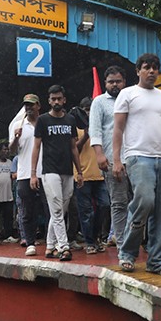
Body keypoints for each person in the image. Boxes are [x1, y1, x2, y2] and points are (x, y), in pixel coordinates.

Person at [113, 53, 161, 276]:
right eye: (147, 67)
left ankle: (156, 261)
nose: (152, 71)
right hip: (137, 157)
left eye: (155, 68)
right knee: (144, 202)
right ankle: (127, 253)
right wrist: (117, 160)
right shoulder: (127, 94)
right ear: (138, 71)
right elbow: (117, 129)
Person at [31, 85, 84, 261]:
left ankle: (50, 245)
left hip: (68, 171)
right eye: (53, 99)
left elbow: (73, 148)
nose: (56, 102)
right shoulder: (43, 120)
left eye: (59, 98)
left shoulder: (70, 120)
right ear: (49, 101)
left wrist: (79, 171)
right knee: (57, 208)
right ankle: (64, 246)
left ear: (64, 100)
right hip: (49, 171)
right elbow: (36, 147)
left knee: (61, 209)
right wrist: (33, 173)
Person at [89, 66, 130, 249]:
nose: (115, 85)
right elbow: (95, 130)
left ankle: (135, 239)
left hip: (134, 157)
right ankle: (122, 243)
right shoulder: (99, 102)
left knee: (141, 201)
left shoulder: (131, 98)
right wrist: (99, 155)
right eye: (111, 81)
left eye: (118, 81)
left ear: (124, 82)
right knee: (119, 202)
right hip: (112, 160)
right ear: (105, 83)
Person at [10, 93, 44, 256]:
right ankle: (30, 242)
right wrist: (16, 138)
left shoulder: (45, 122)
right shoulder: (17, 124)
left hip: (46, 172)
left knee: (50, 209)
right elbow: (12, 151)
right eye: (26, 105)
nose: (29, 107)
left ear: (38, 105)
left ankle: (53, 242)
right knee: (27, 210)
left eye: (32, 104)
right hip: (24, 174)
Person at [74, 97, 110, 254]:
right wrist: (86, 135)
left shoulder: (101, 125)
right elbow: (75, 149)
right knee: (86, 211)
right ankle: (89, 242)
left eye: (91, 109)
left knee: (105, 205)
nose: (89, 113)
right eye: (86, 110)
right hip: (83, 174)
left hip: (101, 174)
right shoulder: (76, 127)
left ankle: (95, 237)